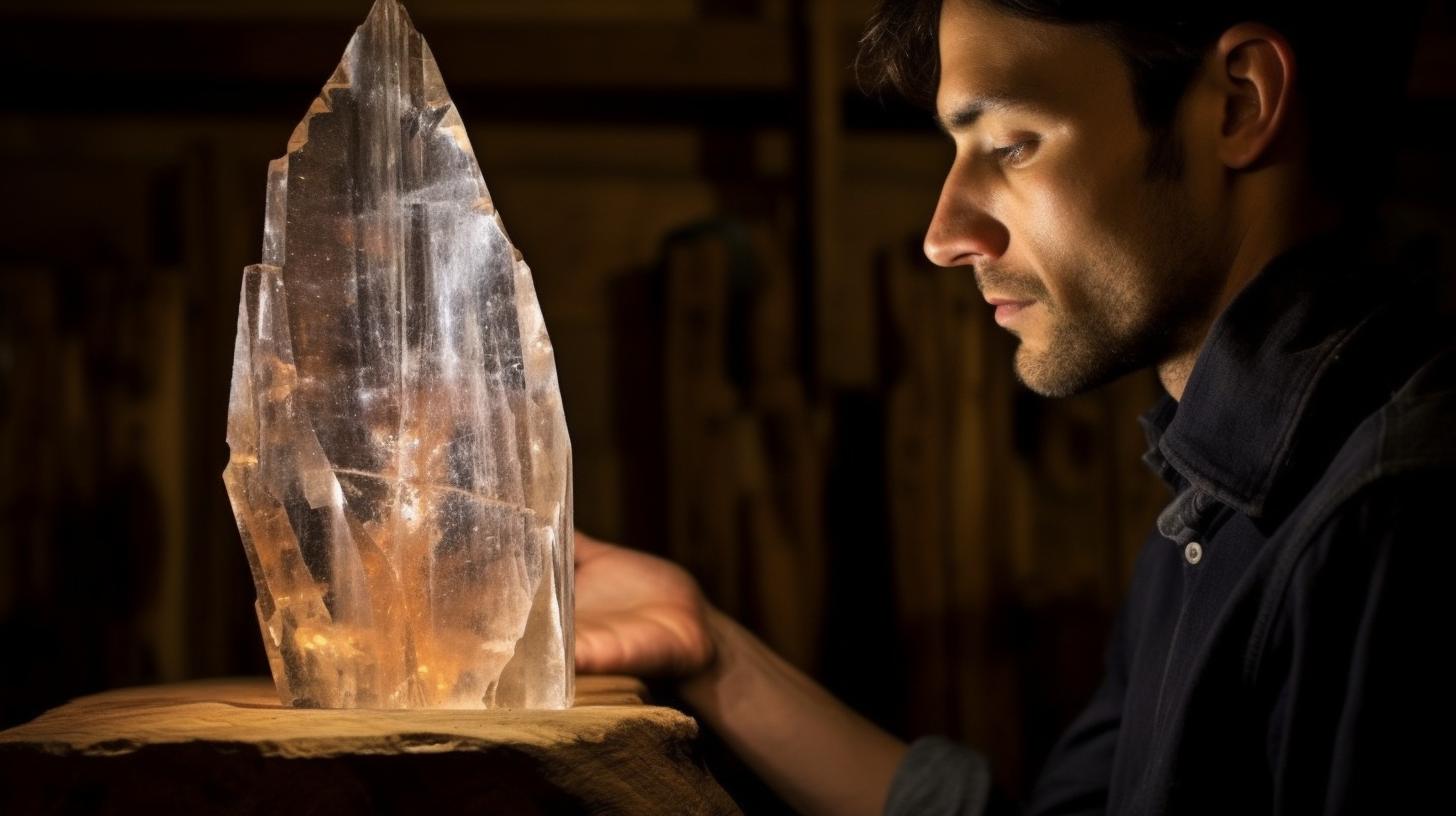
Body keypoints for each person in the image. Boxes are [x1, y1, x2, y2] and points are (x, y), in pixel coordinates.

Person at [574, 1, 1451, 813]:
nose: (945, 234)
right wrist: (710, 650)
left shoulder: (1383, 520)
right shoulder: (1220, 487)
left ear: (1238, 102)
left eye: (1013, 144)